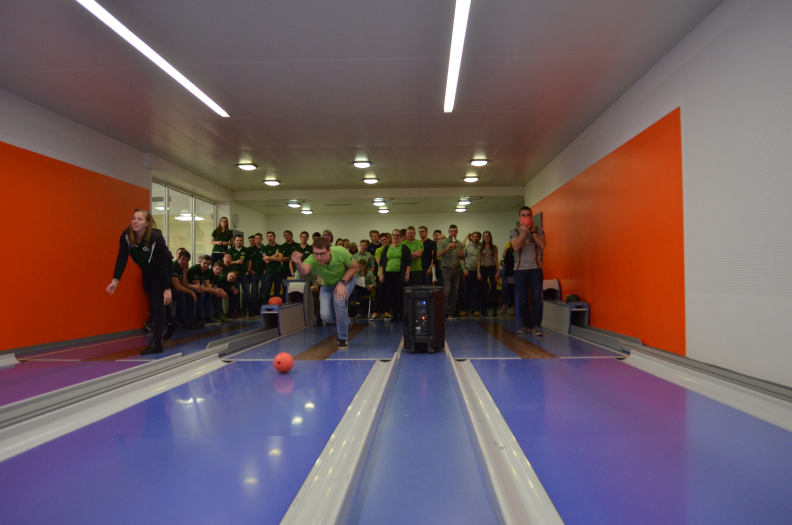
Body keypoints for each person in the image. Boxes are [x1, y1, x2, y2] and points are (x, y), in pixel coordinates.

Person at [107, 209, 175, 354]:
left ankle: (157, 344)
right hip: (147, 268)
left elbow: (163, 265)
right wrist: (115, 280)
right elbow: (122, 257)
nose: (135, 221)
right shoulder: (127, 236)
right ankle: (172, 323)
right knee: (155, 299)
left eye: (139, 219)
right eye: (133, 218)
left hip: (162, 268)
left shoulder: (156, 238)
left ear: (147, 223)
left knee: (157, 303)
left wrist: (167, 288)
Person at [291, 238, 358, 349]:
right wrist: (298, 262)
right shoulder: (312, 259)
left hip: (346, 278)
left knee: (339, 301)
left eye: (322, 253)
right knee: (326, 317)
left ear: (329, 251)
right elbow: (304, 271)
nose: (319, 257)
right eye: (316, 254)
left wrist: (342, 283)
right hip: (327, 284)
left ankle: (342, 338)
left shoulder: (340, 252)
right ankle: (346, 321)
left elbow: (354, 267)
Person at [510, 206, 546, 335]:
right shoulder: (514, 231)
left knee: (536, 299)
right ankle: (527, 325)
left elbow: (542, 245)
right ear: (519, 217)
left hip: (535, 269)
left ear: (531, 216)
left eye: (528, 215)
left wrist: (533, 232)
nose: (526, 217)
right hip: (520, 270)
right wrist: (523, 233)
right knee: (522, 300)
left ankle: (536, 326)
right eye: (523, 215)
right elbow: (516, 247)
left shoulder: (539, 230)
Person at [378, 229, 411, 322]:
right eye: (394, 235)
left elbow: (408, 262)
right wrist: (381, 275)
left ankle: (401, 314)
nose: (395, 237)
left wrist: (407, 274)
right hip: (388, 274)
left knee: (399, 294)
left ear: (400, 237)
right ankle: (395, 314)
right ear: (391, 237)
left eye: (397, 235)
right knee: (391, 294)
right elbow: (381, 263)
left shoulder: (404, 247)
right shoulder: (386, 248)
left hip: (399, 274)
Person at [437, 225, 463, 320]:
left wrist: (462, 255)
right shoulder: (443, 242)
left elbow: (462, 258)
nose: (453, 233)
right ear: (448, 232)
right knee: (446, 292)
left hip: (456, 270)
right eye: (451, 231)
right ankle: (445, 312)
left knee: (455, 292)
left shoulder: (459, 244)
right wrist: (448, 247)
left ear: (457, 232)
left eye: (455, 231)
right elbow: (438, 254)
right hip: (446, 270)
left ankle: (452, 312)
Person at [171, 250, 202, 329]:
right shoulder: (174, 266)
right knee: (181, 293)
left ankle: (191, 320)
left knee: (187, 293)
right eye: (183, 259)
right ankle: (184, 321)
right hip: (165, 290)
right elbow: (177, 287)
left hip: (173, 289)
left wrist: (185, 273)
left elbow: (185, 285)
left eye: (187, 260)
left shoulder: (182, 268)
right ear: (178, 258)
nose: (184, 262)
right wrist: (191, 292)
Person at [187, 255, 213, 325]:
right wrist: (215, 291)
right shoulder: (195, 269)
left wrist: (215, 291)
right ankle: (199, 318)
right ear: (200, 262)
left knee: (208, 293)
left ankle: (208, 317)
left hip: (197, 287)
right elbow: (198, 287)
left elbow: (207, 286)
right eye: (204, 263)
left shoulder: (207, 270)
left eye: (208, 264)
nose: (206, 265)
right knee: (201, 294)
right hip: (189, 287)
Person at [460, 232, 482, 316]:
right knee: (467, 291)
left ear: (480, 238)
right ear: (471, 237)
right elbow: (462, 259)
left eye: (477, 237)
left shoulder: (482, 246)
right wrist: (464, 270)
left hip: (479, 272)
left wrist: (480, 272)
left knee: (478, 291)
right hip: (469, 271)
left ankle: (477, 310)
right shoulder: (467, 247)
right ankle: (466, 310)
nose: (475, 238)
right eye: (474, 236)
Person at [477, 231, 499, 317]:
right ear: (483, 238)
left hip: (492, 268)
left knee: (494, 289)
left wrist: (498, 271)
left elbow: (496, 260)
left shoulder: (494, 247)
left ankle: (495, 309)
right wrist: (478, 272)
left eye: (488, 236)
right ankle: (484, 309)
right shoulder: (480, 247)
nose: (486, 238)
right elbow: (479, 261)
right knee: (483, 290)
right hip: (483, 268)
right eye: (485, 236)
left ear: (490, 237)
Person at [371, 232, 390, 319]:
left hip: (390, 273)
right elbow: (379, 262)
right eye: (382, 240)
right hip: (381, 274)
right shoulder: (378, 250)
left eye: (385, 239)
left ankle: (387, 313)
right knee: (380, 294)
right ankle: (375, 313)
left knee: (389, 294)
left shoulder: (392, 248)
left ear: (388, 239)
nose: (384, 241)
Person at [227, 235, 247, 318]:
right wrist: (236, 262)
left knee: (246, 292)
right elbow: (228, 262)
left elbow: (249, 261)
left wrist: (248, 270)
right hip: (234, 275)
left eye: (240, 240)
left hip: (244, 274)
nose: (239, 242)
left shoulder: (245, 250)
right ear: (234, 241)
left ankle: (245, 310)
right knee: (236, 292)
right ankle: (237, 310)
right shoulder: (230, 250)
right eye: (237, 240)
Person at [247, 233, 265, 316]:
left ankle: (264, 309)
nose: (257, 240)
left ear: (262, 239)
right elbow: (248, 261)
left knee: (265, 292)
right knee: (254, 293)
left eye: (259, 238)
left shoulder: (265, 248)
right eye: (256, 238)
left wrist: (266, 269)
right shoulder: (250, 250)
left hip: (264, 273)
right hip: (254, 273)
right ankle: (255, 310)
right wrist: (250, 270)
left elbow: (268, 260)